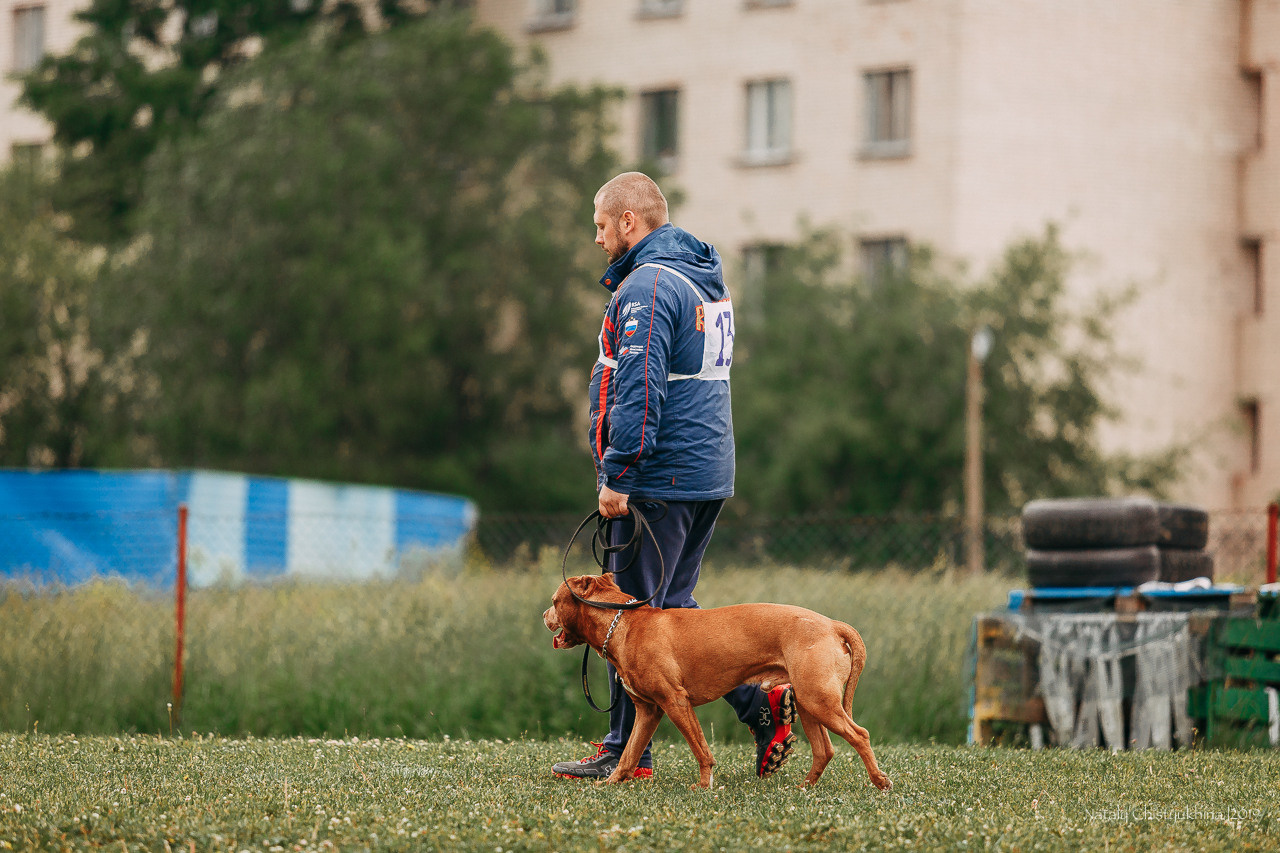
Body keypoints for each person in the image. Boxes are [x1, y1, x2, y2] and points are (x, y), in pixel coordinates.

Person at [552, 172, 795, 782]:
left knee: (624, 615)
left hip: (660, 474)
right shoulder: (700, 277)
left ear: (630, 221)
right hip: (707, 468)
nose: (599, 239)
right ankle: (758, 701)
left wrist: (619, 472)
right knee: (673, 607)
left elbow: (639, 387)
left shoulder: (648, 287)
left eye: (603, 226)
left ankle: (623, 753)